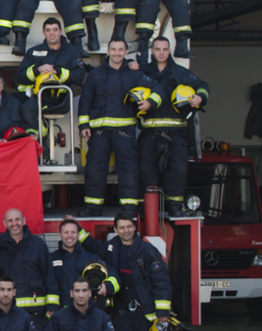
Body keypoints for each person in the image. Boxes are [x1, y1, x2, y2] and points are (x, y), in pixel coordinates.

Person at [78, 38, 162, 215]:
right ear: (107, 52)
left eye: (120, 50)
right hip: (99, 132)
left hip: (124, 132)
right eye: (113, 49)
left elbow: (157, 88)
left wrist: (150, 103)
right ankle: (93, 207)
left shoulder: (134, 73)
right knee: (94, 170)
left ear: (126, 53)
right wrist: (83, 124)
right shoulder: (96, 74)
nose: (117, 53)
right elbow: (86, 100)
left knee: (129, 170)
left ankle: (129, 208)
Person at [100, 212, 173, 331]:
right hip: (122, 311)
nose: (126, 230)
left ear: (135, 228)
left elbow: (161, 281)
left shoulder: (148, 251)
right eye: (122, 227)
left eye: (129, 226)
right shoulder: (112, 247)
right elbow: (91, 247)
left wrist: (163, 312)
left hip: (145, 313)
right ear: (115, 230)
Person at [138, 36, 209, 216]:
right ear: (152, 51)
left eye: (165, 49)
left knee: (177, 173)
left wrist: (199, 98)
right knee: (147, 173)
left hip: (176, 135)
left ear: (169, 51)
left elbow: (202, 85)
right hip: (150, 134)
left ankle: (175, 207)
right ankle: (149, 209)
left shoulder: (180, 72)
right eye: (158, 49)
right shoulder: (142, 71)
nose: (161, 52)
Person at [14, 17, 87, 138]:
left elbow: (79, 76)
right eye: (48, 30)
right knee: (12, 104)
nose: (52, 33)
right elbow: (20, 76)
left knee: (27, 109)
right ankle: (36, 137)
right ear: (43, 33)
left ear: (61, 31)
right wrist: (37, 69)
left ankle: (42, 136)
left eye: (55, 30)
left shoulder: (72, 51)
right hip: (36, 96)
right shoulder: (33, 52)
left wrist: (57, 71)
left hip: (59, 99)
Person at [0, 208, 53, 329]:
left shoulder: (38, 244)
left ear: (23, 221)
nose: (14, 223)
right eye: (10, 220)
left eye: (17, 219)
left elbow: (49, 275)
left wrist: (52, 305)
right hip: (8, 310)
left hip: (36, 312)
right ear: (5, 224)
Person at [48, 218, 118, 310]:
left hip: (87, 314)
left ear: (78, 234)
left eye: (73, 232)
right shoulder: (50, 259)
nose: (70, 236)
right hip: (62, 315)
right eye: (66, 232)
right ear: (59, 234)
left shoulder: (90, 258)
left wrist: (107, 286)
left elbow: (113, 273)